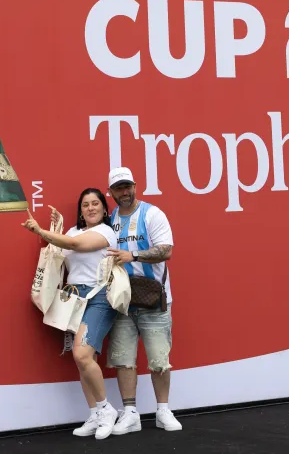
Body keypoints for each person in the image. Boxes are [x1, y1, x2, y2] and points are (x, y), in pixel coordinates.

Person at [22, 188, 120, 439]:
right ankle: (95, 414)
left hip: (99, 298)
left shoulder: (106, 232)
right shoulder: (72, 231)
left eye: (95, 203)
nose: (90, 208)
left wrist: (42, 232)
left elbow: (76, 245)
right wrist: (58, 228)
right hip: (74, 299)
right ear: (81, 210)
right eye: (85, 205)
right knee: (83, 361)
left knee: (82, 353)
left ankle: (106, 410)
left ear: (104, 209)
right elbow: (61, 251)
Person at [104, 166, 181, 434]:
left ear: (135, 185)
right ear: (111, 192)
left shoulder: (152, 213)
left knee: (160, 360)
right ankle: (130, 413)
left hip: (153, 300)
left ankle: (163, 410)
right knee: (124, 359)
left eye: (127, 186)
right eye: (118, 188)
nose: (124, 192)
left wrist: (133, 256)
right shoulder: (109, 217)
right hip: (122, 302)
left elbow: (166, 250)